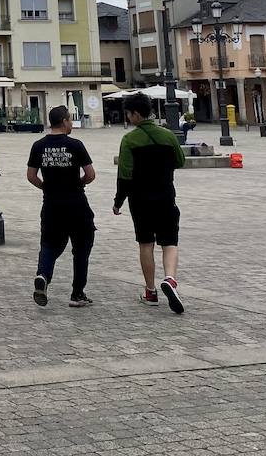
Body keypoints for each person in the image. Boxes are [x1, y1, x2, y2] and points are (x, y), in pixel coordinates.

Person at [113, 90, 187, 314]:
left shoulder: (129, 140)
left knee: (146, 244)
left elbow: (124, 175)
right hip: (166, 196)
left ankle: (151, 291)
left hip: (140, 200)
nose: (128, 118)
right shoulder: (167, 136)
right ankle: (171, 279)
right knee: (170, 242)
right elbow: (180, 161)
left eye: (128, 114)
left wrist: (118, 202)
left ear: (136, 114)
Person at [27, 105, 97, 308]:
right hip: (76, 204)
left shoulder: (38, 145)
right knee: (82, 247)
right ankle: (77, 294)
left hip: (51, 204)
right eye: (70, 120)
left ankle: (43, 276)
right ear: (65, 121)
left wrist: (47, 188)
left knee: (49, 245)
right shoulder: (75, 145)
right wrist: (78, 183)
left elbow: (31, 176)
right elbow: (91, 174)